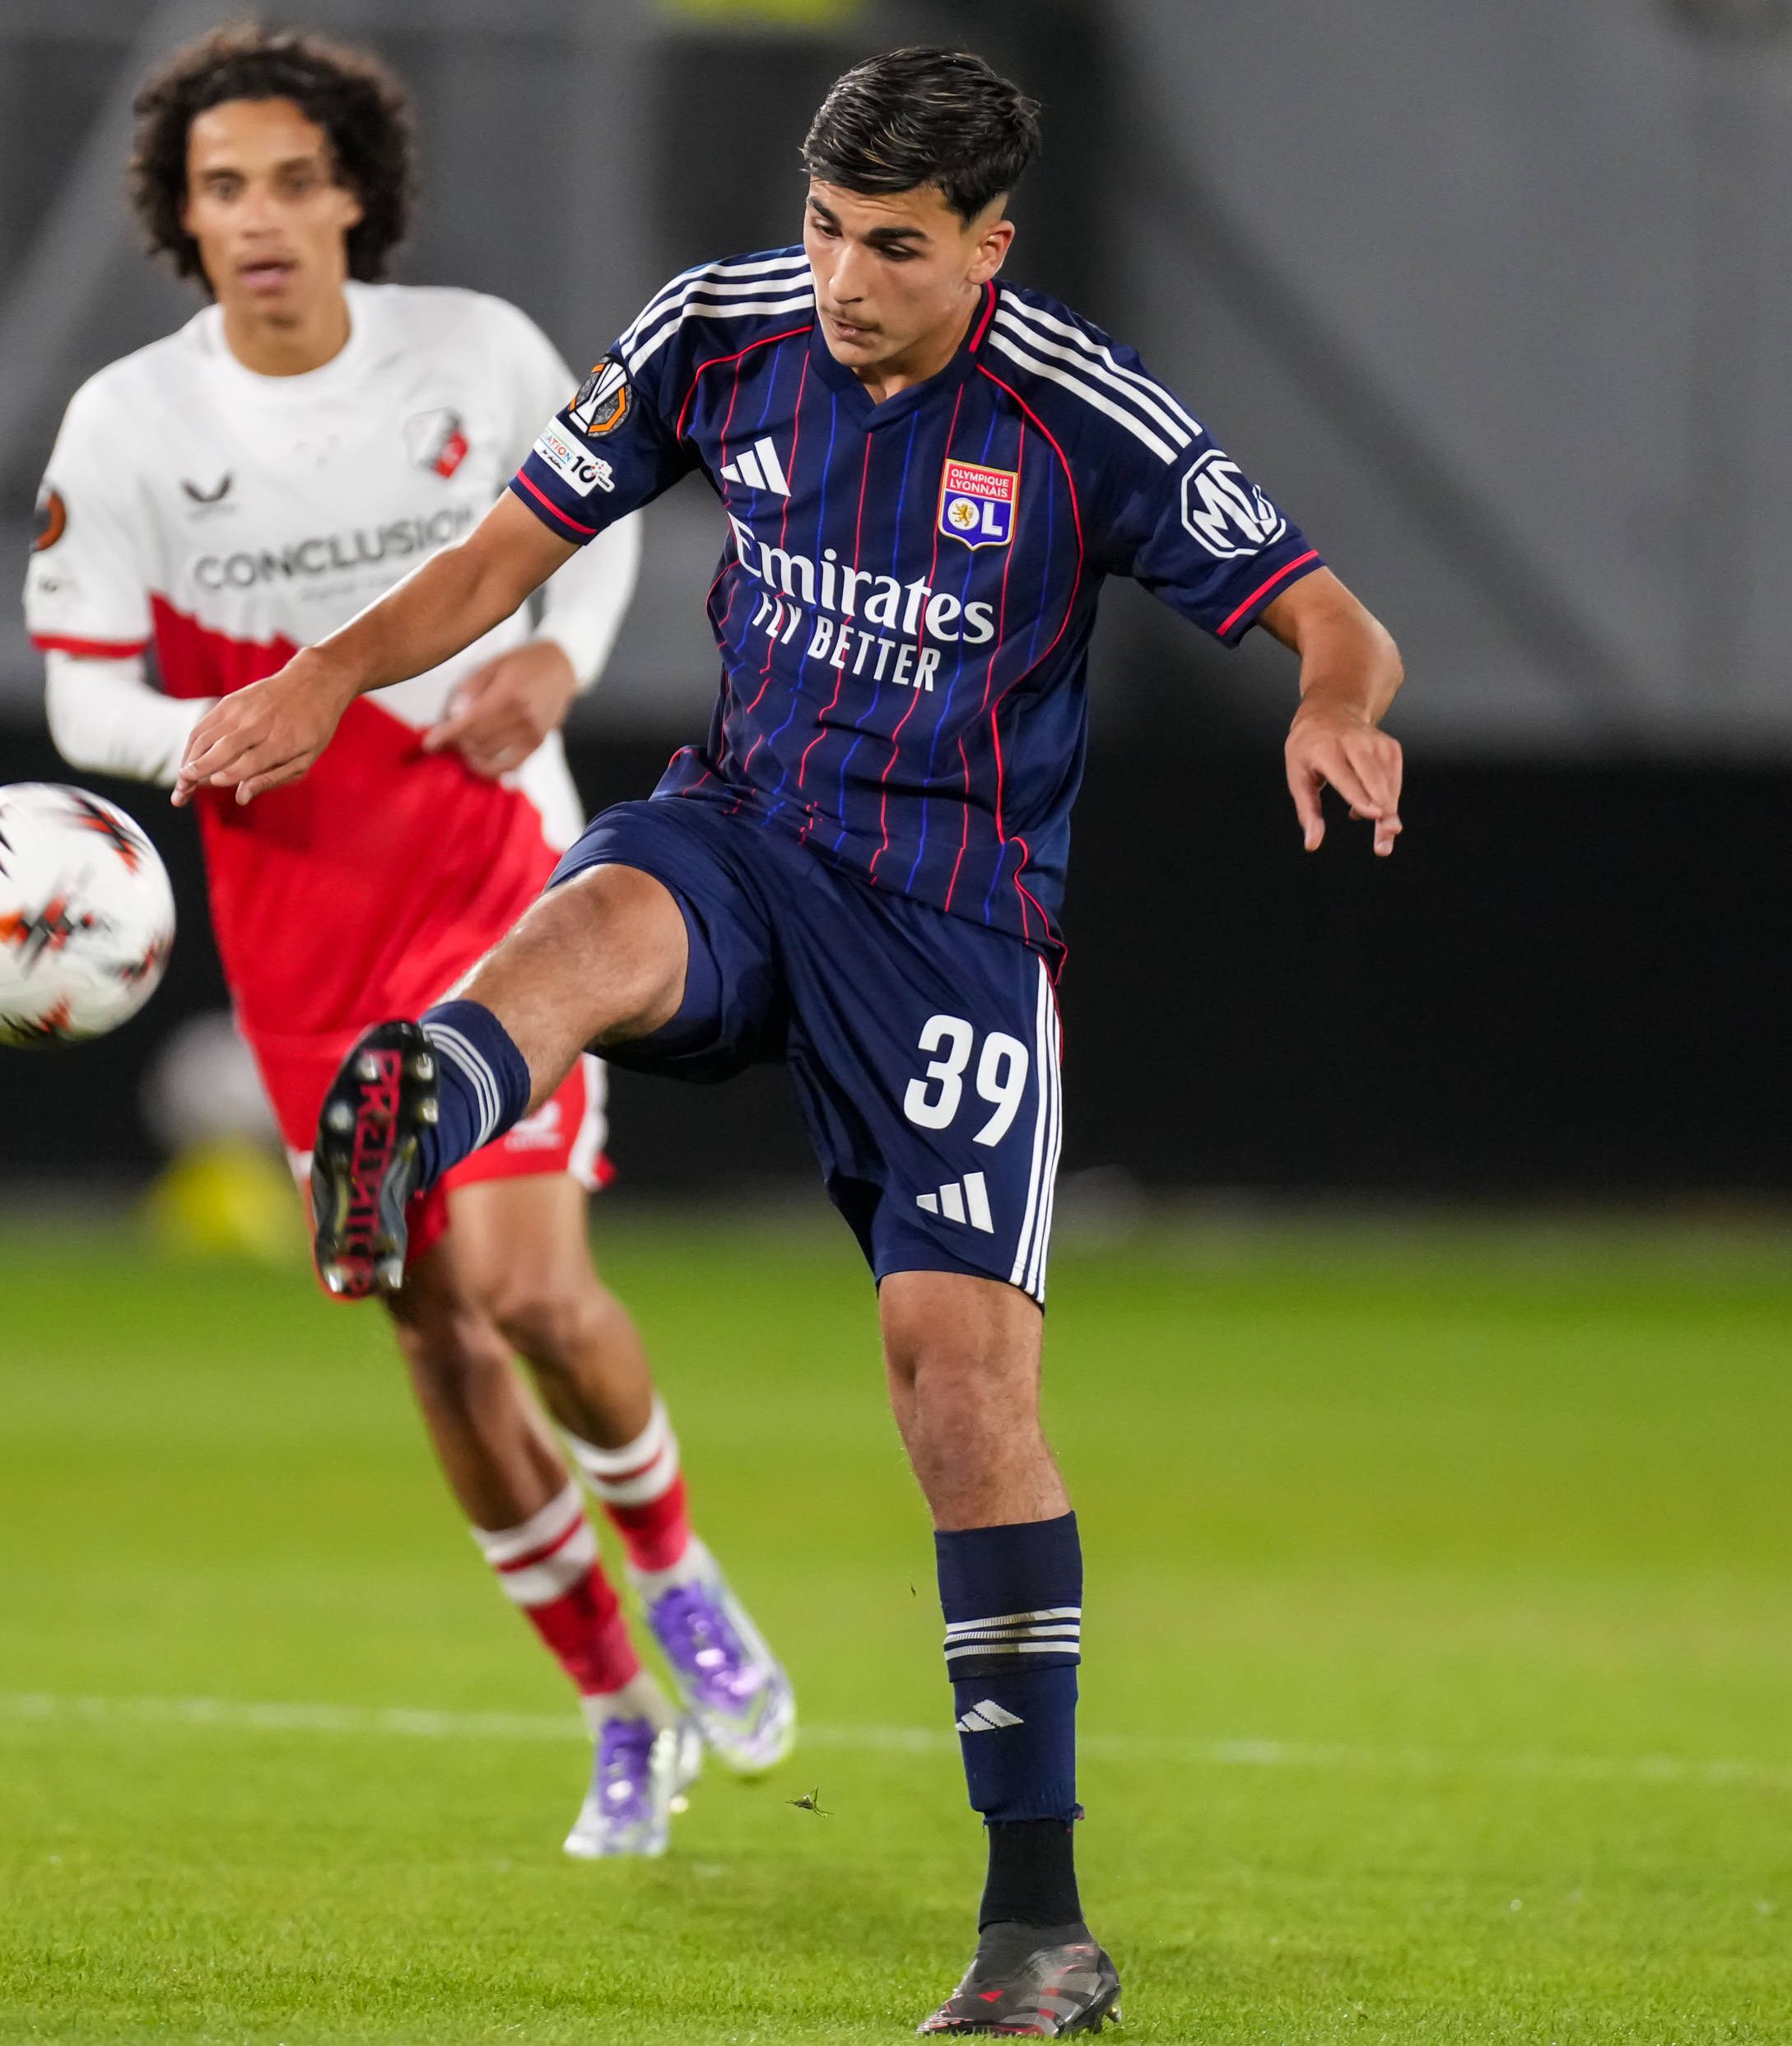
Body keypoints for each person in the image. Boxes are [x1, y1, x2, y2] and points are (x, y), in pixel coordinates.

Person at [175, 46, 1406, 2037]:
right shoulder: (713, 333)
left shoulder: (1080, 414)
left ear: (987, 246)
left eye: (893, 248)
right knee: (585, 916)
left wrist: (1326, 704)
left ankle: (1036, 1930)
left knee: (955, 1392)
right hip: (748, 835)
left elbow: (1331, 614)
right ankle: (418, 1096)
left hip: (951, 938)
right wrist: (324, 672)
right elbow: (503, 559)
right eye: (825, 227)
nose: (841, 278)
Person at [29, 25, 796, 1860]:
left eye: (295, 178)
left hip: (490, 886)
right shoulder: (128, 425)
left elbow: (593, 529)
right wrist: (216, 736)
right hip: (294, 933)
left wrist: (553, 657)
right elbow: (79, 697)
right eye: (225, 187)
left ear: (354, 190)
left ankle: (678, 1564)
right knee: (435, 1338)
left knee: (532, 1293)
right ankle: (617, 1709)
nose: (263, 216)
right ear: (183, 217)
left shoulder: (473, 355)